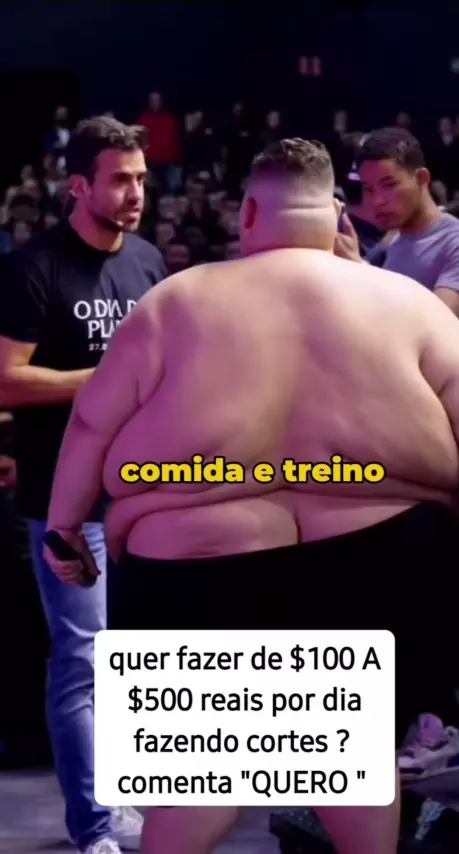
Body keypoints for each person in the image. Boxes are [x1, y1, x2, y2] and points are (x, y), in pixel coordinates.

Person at [43, 138, 459, 854]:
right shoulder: (410, 305)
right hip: (377, 547)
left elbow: (92, 422)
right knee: (351, 755)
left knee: (197, 778)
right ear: (336, 213)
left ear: (247, 212)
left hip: (196, 549)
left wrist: (64, 528)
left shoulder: (174, 301)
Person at [0, 116, 167, 854]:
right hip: (65, 499)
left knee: (131, 660)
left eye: (141, 178)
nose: (136, 192)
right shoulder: (34, 267)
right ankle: (94, 828)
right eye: (120, 180)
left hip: (145, 495)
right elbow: (6, 379)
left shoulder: (150, 262)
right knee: (81, 660)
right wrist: (103, 380)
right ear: (78, 186)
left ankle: (122, 799)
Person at [335, 126, 459, 782]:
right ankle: (433, 724)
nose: (377, 201)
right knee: (416, 598)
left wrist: (358, 276)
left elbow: (435, 325)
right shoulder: (388, 250)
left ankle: (451, 728)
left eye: (389, 185)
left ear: (423, 179)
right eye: (367, 189)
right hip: (405, 457)